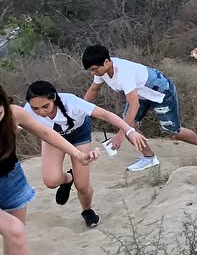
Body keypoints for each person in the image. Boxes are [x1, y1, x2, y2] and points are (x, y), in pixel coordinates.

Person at [1, 81, 98, 255]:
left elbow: (45, 133)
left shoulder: (14, 113)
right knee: (15, 231)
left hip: (12, 179)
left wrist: (77, 154)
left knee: (14, 240)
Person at [23, 79, 151, 229]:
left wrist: (129, 131)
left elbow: (105, 115)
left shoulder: (71, 102)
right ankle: (67, 179)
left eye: (45, 106)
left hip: (79, 135)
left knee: (82, 185)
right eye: (35, 108)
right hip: (52, 138)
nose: (41, 112)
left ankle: (87, 210)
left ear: (54, 98)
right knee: (51, 181)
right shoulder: (27, 111)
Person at [81, 45, 197, 172]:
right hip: (141, 95)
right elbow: (94, 89)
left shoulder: (124, 73)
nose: (93, 73)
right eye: (91, 70)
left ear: (106, 62)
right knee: (128, 125)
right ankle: (149, 157)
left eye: (94, 69)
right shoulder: (101, 72)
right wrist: (81, 109)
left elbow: (134, 105)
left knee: (172, 131)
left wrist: (121, 134)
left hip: (162, 93)